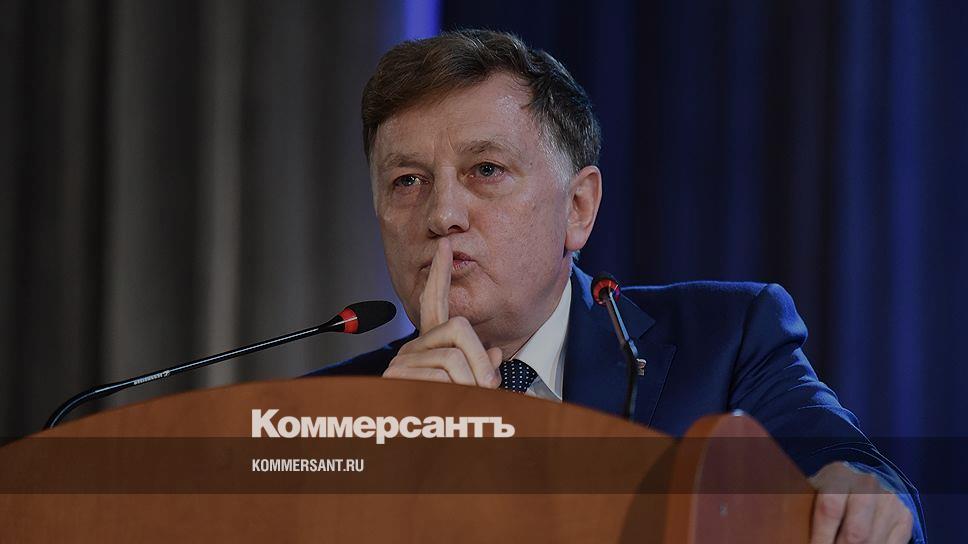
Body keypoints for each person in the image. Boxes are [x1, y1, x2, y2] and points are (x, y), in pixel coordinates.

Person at [307, 29, 925, 543]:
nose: (442, 214)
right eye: (407, 181)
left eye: (486, 169)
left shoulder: (726, 341)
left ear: (578, 208)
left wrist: (863, 495)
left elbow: (860, 484)